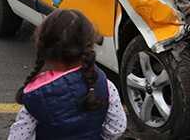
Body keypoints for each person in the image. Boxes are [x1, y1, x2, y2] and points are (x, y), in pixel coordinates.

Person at [8, 9, 126, 140]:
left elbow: (18, 136)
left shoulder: (36, 94)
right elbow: (116, 128)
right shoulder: (104, 84)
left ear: (43, 47)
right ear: (89, 44)